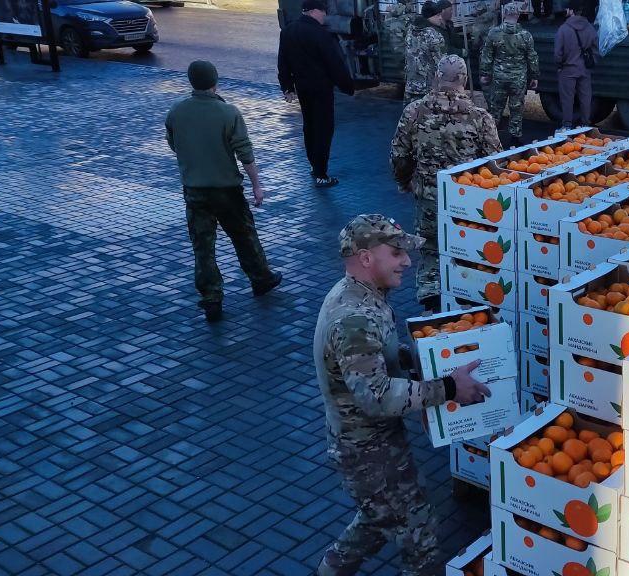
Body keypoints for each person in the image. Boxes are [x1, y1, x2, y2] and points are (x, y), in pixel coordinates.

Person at [313, 214, 489, 576]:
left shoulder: (360, 296)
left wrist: (418, 360)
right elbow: (375, 396)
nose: (407, 262)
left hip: (369, 442)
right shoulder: (355, 316)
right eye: (396, 253)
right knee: (418, 530)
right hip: (367, 449)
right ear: (365, 258)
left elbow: (373, 362)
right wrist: (449, 388)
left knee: (377, 520)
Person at [165, 61, 283, 323]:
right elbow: (245, 153)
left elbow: (174, 145)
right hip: (227, 190)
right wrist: (256, 185)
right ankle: (261, 279)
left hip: (194, 190)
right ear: (215, 81)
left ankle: (211, 298)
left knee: (203, 247)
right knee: (244, 236)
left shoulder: (176, 112)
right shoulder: (228, 112)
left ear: (191, 82)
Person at [390, 55, 503, 311]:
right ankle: (468, 306)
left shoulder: (414, 111)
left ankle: (433, 312)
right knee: (468, 252)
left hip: (428, 198)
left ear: (437, 76)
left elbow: (399, 155)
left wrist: (403, 180)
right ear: (463, 80)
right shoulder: (480, 117)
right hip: (469, 203)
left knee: (431, 252)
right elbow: (496, 163)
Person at [278, 0, 357, 188]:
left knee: (310, 127)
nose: (325, 16)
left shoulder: (288, 31)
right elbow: (334, 64)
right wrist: (348, 87)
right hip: (321, 90)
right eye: (323, 12)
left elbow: (283, 62)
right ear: (314, 11)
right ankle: (321, 173)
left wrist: (287, 87)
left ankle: (314, 166)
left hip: (303, 88)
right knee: (323, 130)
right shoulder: (320, 35)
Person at [481, 2, 540, 146]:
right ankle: (515, 137)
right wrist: (534, 76)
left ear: (504, 14)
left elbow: (487, 55)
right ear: (518, 15)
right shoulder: (525, 35)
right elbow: (532, 57)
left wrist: (485, 73)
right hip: (518, 79)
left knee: (496, 108)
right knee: (517, 107)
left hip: (499, 77)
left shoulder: (494, 33)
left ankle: (491, 137)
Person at [553, 0, 598, 128]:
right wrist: (591, 63)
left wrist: (560, 65)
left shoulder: (563, 29)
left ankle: (567, 125)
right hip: (584, 70)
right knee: (585, 98)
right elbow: (596, 50)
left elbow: (557, 54)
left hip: (567, 70)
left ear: (571, 11)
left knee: (567, 99)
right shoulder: (590, 28)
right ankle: (585, 124)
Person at [405, 0, 454, 103]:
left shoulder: (410, 30)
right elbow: (442, 64)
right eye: (438, 15)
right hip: (428, 89)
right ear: (430, 16)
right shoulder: (434, 35)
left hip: (411, 86)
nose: (441, 18)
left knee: (411, 115)